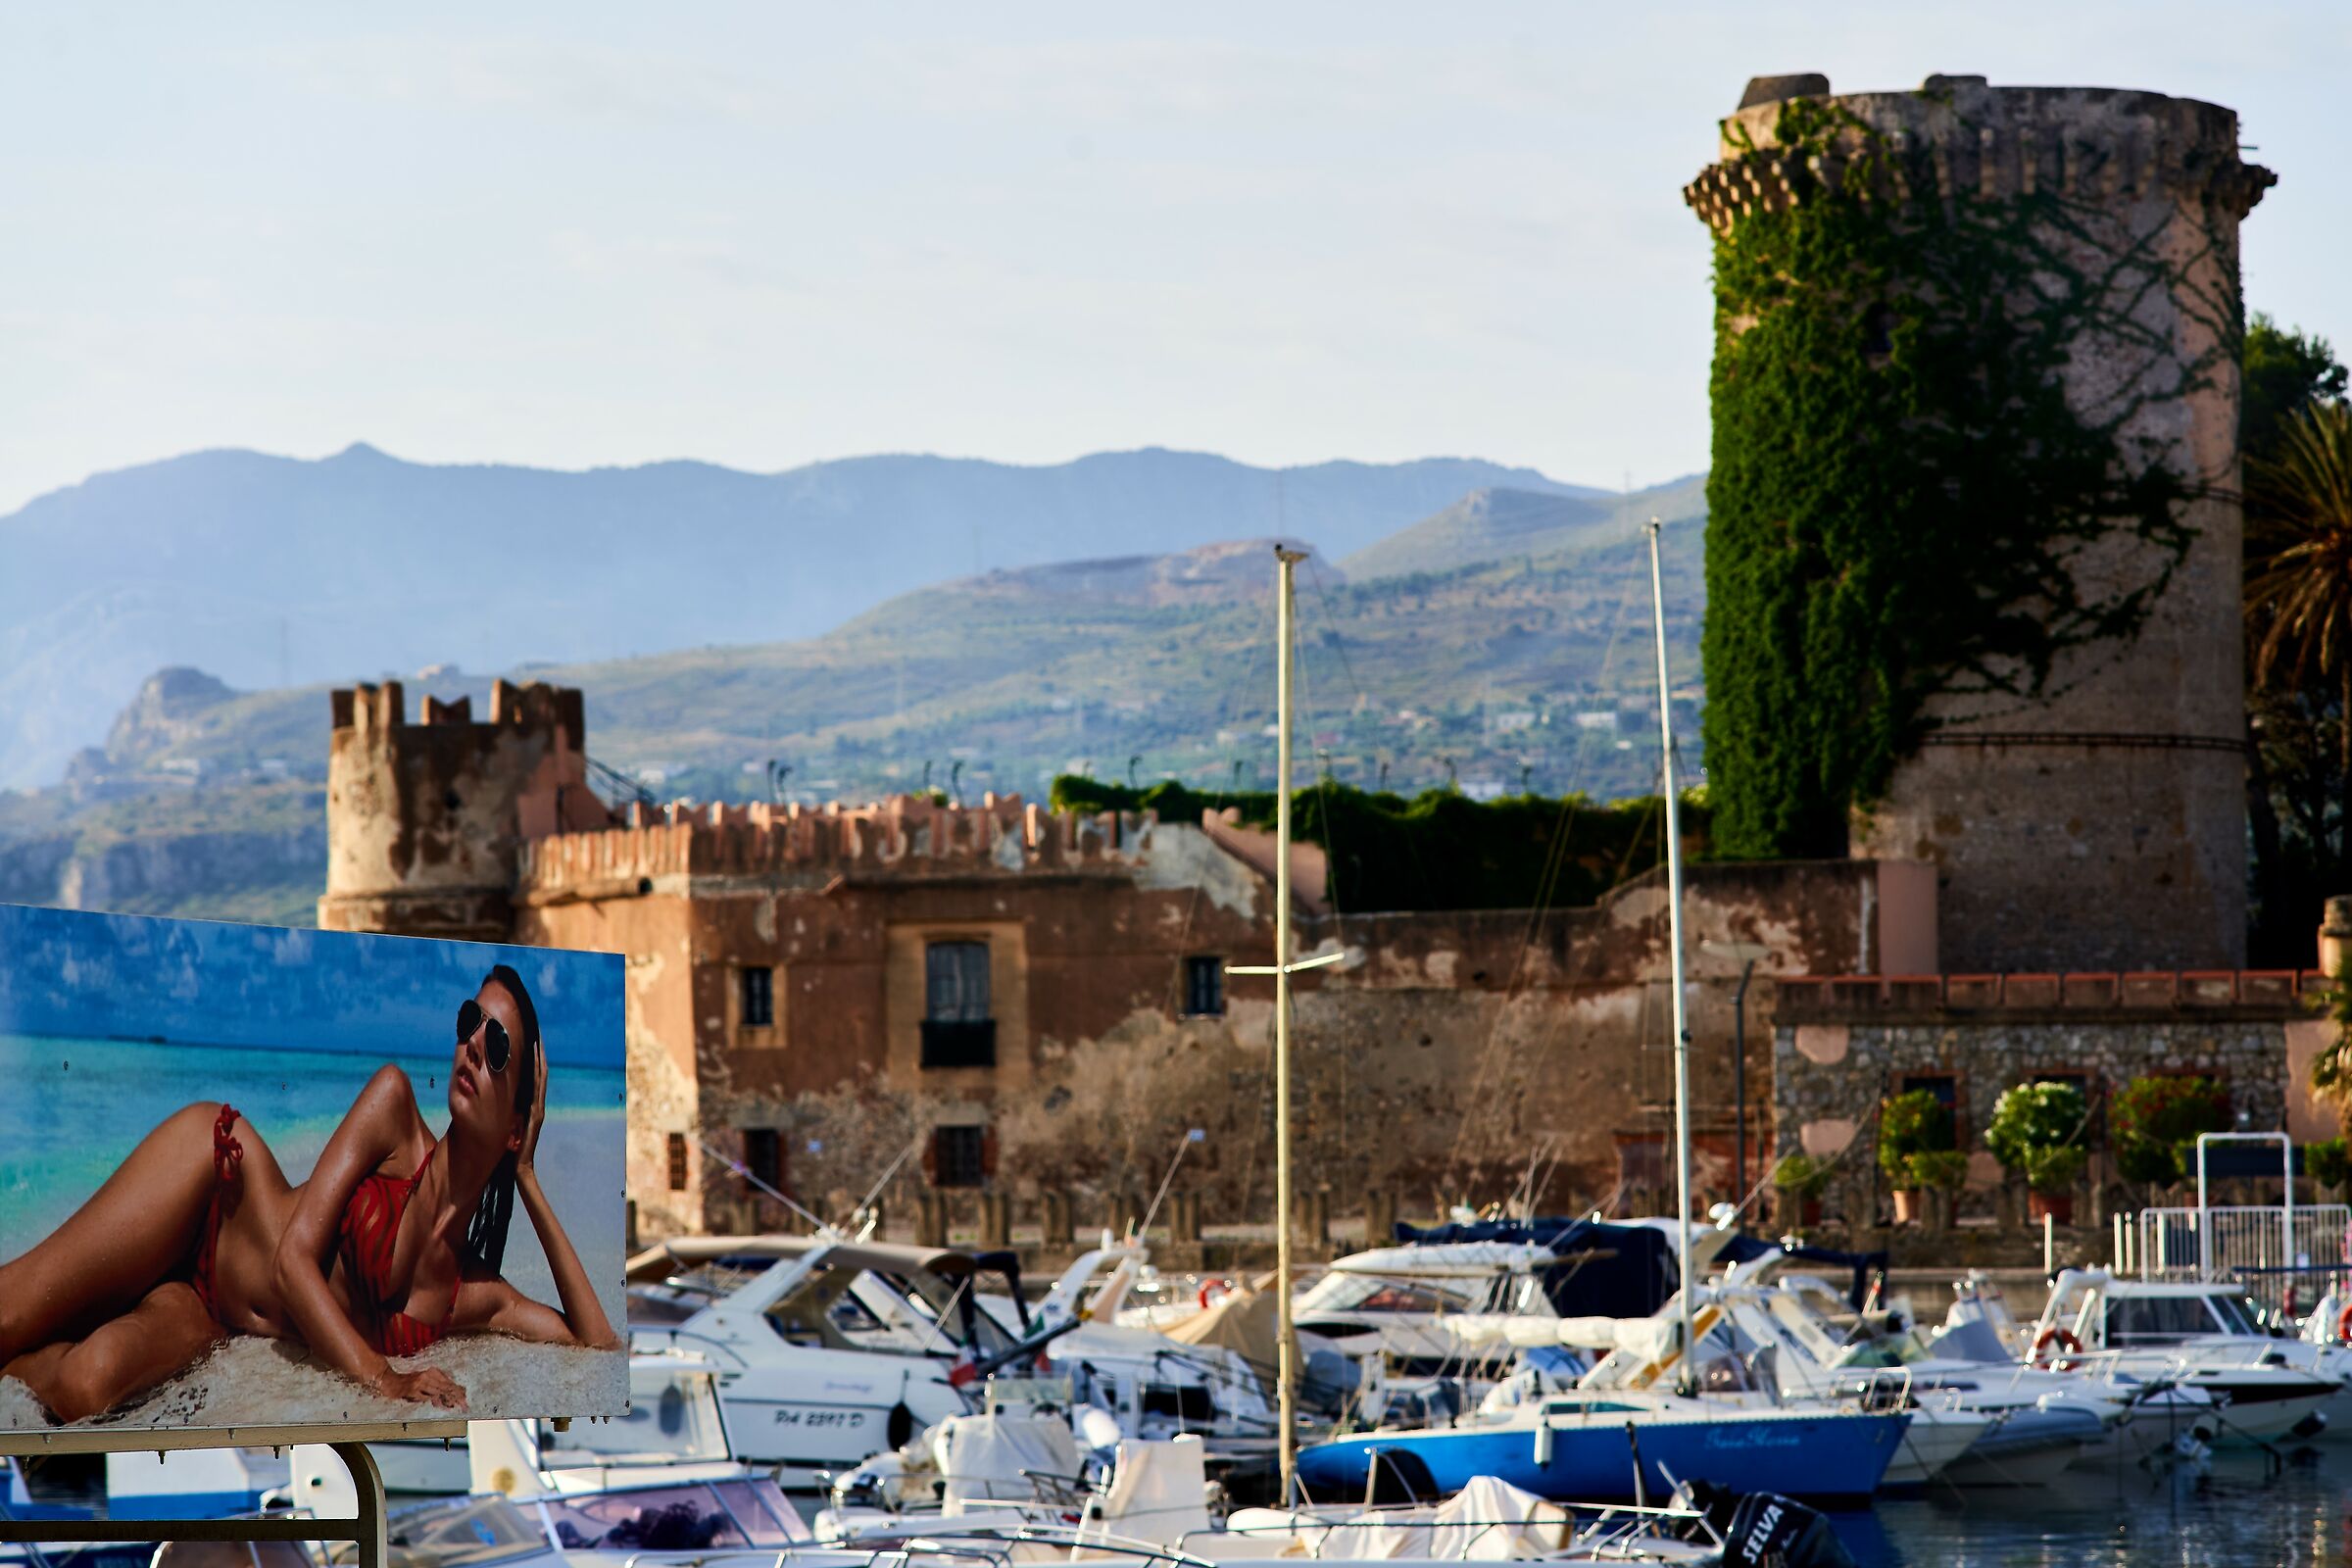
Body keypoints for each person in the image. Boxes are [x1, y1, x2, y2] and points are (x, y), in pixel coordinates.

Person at [0, 964, 618, 1421]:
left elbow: (596, 1346)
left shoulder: (477, 1295)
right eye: (469, 1023)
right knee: (11, 1313)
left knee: (84, 1388)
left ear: (516, 1126)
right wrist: (383, 1377)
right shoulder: (394, 1107)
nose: (474, 1045)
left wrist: (529, 1178)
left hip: (215, 1311)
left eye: (498, 1045)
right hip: (214, 1190)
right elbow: (293, 1263)